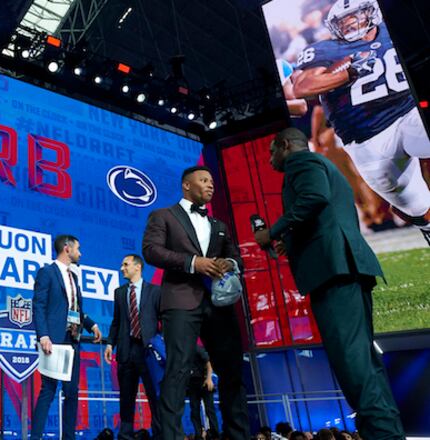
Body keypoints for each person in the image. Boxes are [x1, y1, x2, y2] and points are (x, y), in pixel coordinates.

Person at [255, 127, 405, 439]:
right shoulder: (322, 165)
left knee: (352, 363)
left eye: (272, 151)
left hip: (334, 271)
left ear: (285, 146)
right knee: (364, 362)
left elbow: (314, 197)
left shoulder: (302, 163)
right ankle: (387, 433)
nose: (270, 159)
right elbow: (323, 211)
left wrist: (273, 231)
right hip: (348, 267)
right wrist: (291, 240)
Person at [291, 0, 430, 245]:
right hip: (367, 138)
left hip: (407, 112)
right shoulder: (326, 50)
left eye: (354, 16)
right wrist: (349, 73)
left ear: (371, 13)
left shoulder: (391, 29)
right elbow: (304, 86)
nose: (348, 24)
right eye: (342, 21)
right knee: (416, 207)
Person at [141, 165, 248, 440]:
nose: (210, 185)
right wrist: (193, 263)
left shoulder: (219, 226)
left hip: (219, 305)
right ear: (186, 185)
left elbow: (238, 258)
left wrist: (230, 262)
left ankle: (237, 434)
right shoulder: (163, 215)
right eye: (203, 180)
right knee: (177, 370)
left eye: (212, 181)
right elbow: (151, 251)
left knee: (232, 371)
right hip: (180, 301)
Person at [31, 235, 103, 440]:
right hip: (53, 340)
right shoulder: (47, 272)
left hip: (73, 339)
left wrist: (91, 325)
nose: (80, 253)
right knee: (49, 390)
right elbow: (39, 305)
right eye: (78, 249)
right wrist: (43, 335)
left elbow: (75, 308)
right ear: (66, 248)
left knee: (72, 392)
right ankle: (35, 437)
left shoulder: (74, 277)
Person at [104, 254, 161, 439]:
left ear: (138, 267)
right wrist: (110, 344)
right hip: (126, 351)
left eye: (125, 264)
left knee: (155, 396)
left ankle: (160, 434)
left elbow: (163, 320)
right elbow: (116, 321)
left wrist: (161, 344)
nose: (122, 268)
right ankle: (125, 435)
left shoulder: (155, 291)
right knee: (126, 398)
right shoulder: (120, 292)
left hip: (149, 352)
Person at [186, 345, 219, 439]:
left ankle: (215, 434)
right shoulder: (182, 351)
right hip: (192, 383)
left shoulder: (196, 348)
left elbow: (208, 362)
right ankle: (198, 434)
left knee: (210, 409)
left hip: (203, 380)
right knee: (195, 411)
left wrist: (209, 378)